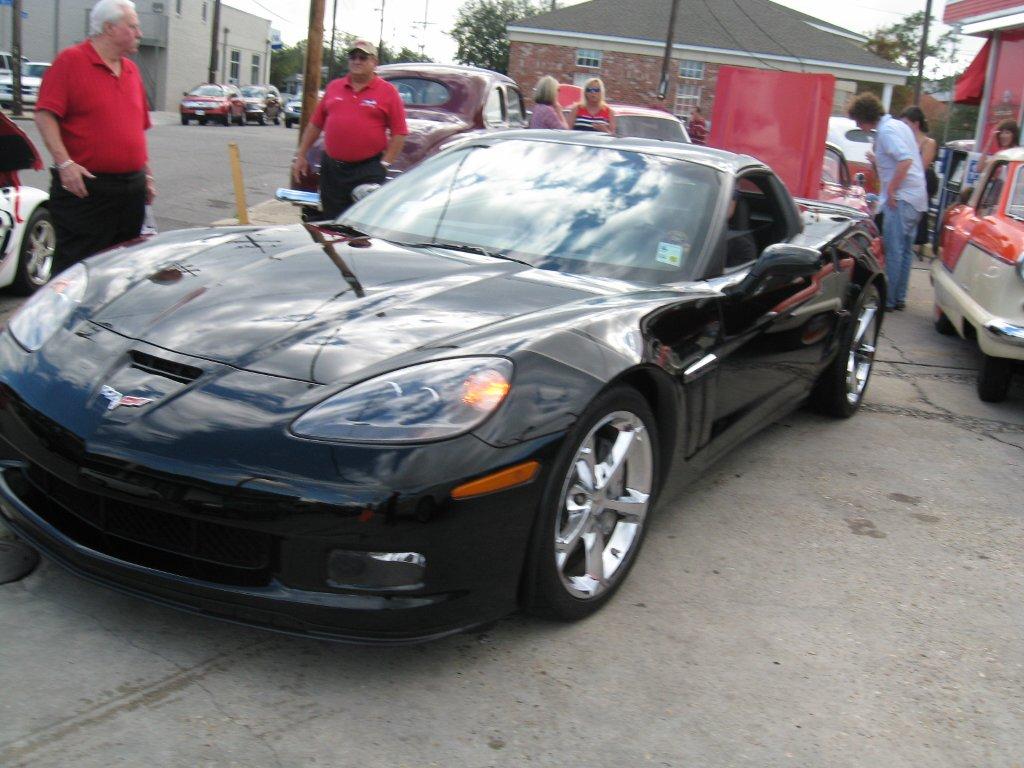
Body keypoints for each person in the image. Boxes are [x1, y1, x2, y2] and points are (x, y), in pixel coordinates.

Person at [34, 0, 155, 272]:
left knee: (121, 269)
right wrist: (65, 164)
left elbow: (136, 129)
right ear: (109, 28)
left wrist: (146, 174)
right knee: (77, 269)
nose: (139, 33)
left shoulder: (132, 70)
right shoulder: (70, 61)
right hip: (86, 190)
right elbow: (44, 115)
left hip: (130, 191)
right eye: (133, 27)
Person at [293, 40, 408, 219]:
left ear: (374, 62)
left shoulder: (388, 92)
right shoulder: (334, 87)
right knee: (332, 221)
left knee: (361, 222)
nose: (357, 61)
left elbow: (399, 133)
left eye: (363, 57)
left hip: (367, 170)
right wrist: (301, 155)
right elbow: (315, 125)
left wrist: (384, 165)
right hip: (333, 169)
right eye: (353, 57)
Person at [848, 92, 927, 312]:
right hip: (916, 196)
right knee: (905, 251)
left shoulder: (886, 131)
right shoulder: (899, 126)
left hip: (901, 197)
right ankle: (899, 297)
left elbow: (905, 160)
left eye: (858, 121)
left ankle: (888, 300)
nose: (858, 126)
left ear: (865, 117)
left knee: (893, 249)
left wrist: (891, 189)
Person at [899, 106, 938, 259]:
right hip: (907, 184)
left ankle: (914, 247)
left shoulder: (928, 143)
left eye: (906, 123)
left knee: (917, 218)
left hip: (923, 181)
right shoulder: (905, 140)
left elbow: (922, 166)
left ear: (916, 124)